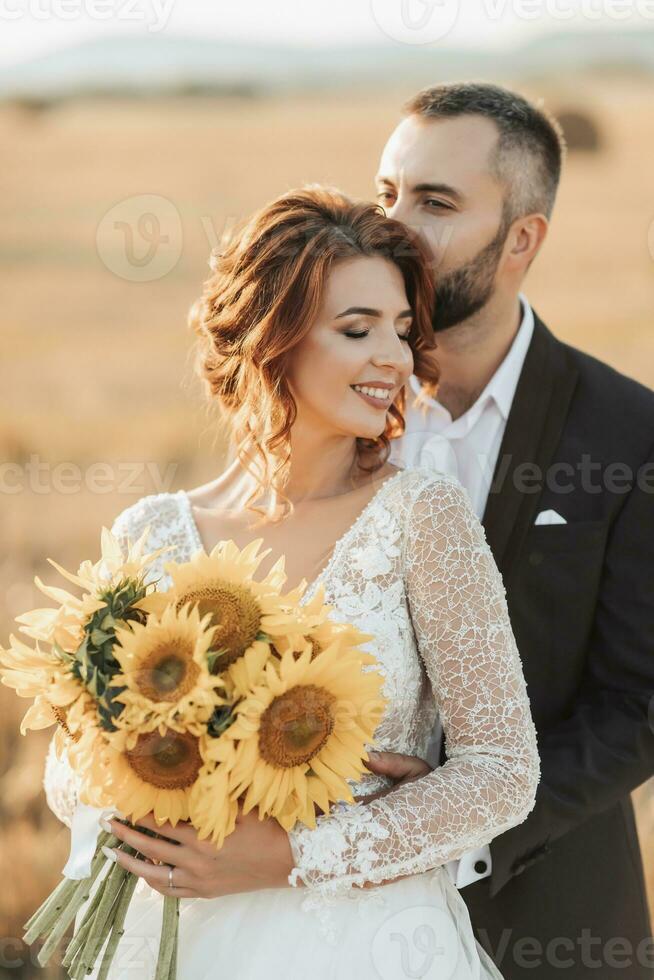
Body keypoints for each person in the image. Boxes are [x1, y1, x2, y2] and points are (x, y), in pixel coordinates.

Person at [43, 186, 539, 979]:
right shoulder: (152, 533)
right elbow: (74, 771)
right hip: (178, 938)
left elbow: (503, 771)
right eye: (358, 329)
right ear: (272, 336)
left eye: (404, 332)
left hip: (365, 944)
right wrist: (168, 795)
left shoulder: (420, 518)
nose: (397, 359)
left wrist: (290, 853)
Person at [364, 82, 654, 979]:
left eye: (436, 203)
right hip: (319, 904)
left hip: (545, 914)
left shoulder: (627, 434)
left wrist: (462, 818)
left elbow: (639, 703)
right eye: (387, 195)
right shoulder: (320, 399)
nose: (391, 228)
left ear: (521, 237)